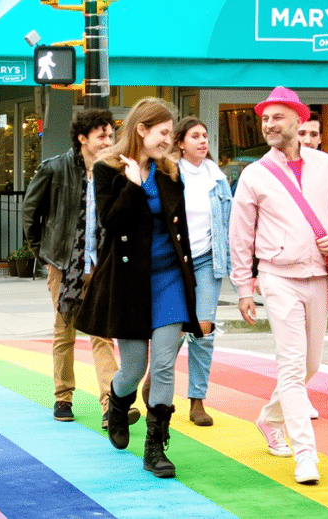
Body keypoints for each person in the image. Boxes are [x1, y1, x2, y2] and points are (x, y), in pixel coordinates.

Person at [229, 86, 328, 485]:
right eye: (264, 118)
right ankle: (306, 454)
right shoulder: (254, 174)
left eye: (277, 117)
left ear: (298, 121)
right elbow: (240, 233)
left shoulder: (326, 165)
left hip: (318, 276)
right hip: (278, 276)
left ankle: (269, 417)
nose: (268, 124)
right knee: (291, 364)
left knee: (310, 366)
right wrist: (244, 286)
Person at [76, 97, 200, 479]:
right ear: (141, 130)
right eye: (163, 133)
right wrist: (131, 187)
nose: (169, 140)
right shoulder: (107, 168)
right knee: (133, 367)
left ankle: (155, 445)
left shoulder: (171, 172)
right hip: (130, 283)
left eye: (171, 133)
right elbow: (110, 224)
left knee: (163, 365)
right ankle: (117, 403)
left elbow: (180, 233)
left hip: (169, 280)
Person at [22, 108, 121, 426]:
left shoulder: (114, 170)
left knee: (102, 333)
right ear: (83, 139)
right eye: (102, 135)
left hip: (100, 263)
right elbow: (29, 211)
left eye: (111, 134)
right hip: (65, 266)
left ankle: (110, 403)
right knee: (65, 331)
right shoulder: (55, 168)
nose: (109, 140)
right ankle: (63, 397)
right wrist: (44, 253)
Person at [174, 116, 231, 427]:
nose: (202, 140)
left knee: (203, 330)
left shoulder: (217, 178)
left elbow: (230, 222)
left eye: (205, 135)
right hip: (175, 261)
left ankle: (197, 400)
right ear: (181, 143)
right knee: (174, 330)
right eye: (195, 135)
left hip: (208, 260)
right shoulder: (169, 173)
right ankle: (158, 381)